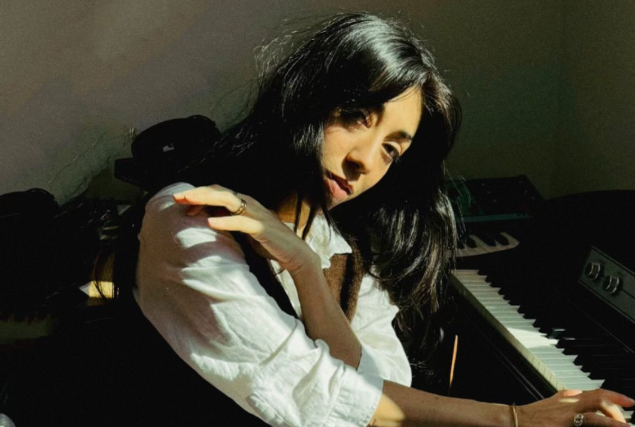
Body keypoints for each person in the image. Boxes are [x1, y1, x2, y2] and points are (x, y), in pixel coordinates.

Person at [108, 12, 632, 427]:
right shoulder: (187, 220)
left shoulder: (340, 246)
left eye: (391, 150)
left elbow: (380, 381)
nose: (365, 161)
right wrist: (513, 418)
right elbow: (315, 395)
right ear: (306, 97)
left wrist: (306, 269)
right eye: (357, 117)